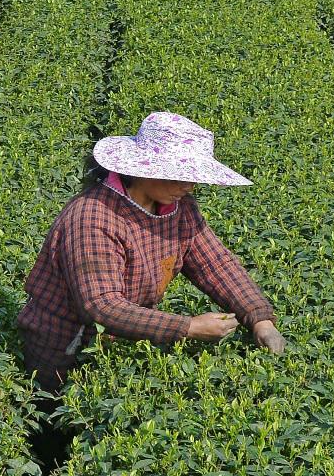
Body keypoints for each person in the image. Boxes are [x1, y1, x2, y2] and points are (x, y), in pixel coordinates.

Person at [18, 111, 288, 392]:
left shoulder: (180, 209)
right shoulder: (93, 217)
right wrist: (189, 327)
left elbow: (215, 264)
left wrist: (260, 319)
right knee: (55, 413)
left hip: (125, 339)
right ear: (142, 170)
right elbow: (101, 305)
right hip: (65, 347)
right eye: (178, 176)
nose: (188, 186)